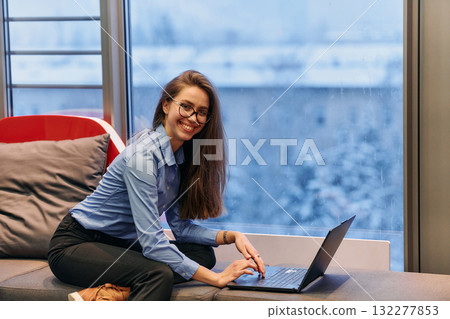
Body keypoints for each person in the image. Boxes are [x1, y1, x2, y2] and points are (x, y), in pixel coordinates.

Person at [48, 70, 265, 301]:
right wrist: (217, 278)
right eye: (186, 107)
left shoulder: (180, 157)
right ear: (166, 106)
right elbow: (152, 242)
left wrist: (231, 236)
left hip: (119, 245)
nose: (193, 118)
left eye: (202, 112)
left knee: (201, 254)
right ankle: (110, 294)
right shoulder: (143, 157)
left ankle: (116, 291)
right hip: (77, 244)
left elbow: (180, 229)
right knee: (157, 273)